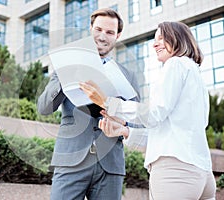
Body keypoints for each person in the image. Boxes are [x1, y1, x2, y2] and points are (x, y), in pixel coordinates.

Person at [80, 21, 217, 200]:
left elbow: (153, 114)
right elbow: (168, 132)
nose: (155, 44)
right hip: (201, 175)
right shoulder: (195, 75)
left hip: (175, 173)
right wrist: (125, 131)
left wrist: (107, 102)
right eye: (154, 39)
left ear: (178, 39)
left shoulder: (175, 64)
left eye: (161, 37)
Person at [37, 8, 140, 200]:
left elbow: (137, 120)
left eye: (109, 32)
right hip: (70, 160)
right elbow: (44, 108)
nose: (102, 36)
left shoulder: (128, 76)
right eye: (98, 29)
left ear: (117, 36)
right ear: (90, 29)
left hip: (110, 165)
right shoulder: (66, 64)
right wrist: (65, 74)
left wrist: (118, 119)